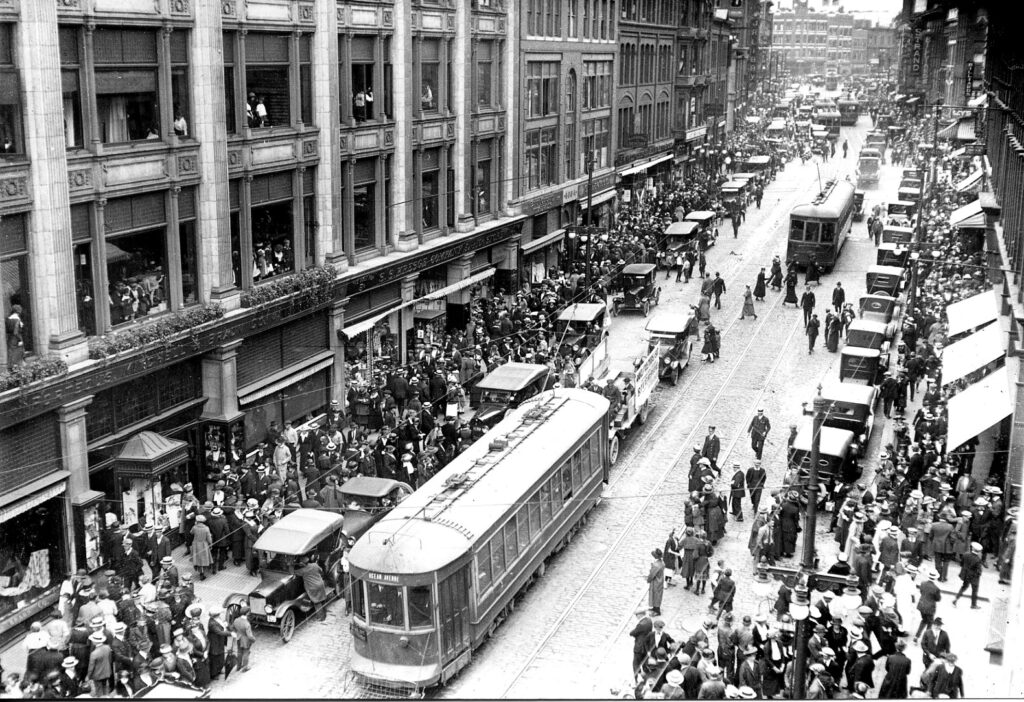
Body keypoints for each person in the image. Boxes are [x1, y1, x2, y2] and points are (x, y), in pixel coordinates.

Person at [296, 557, 330, 622]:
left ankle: (321, 618)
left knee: (317, 602)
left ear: (302, 564)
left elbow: (293, 572)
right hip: (320, 584)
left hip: (313, 587)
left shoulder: (303, 570)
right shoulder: (315, 565)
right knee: (322, 599)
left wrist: (290, 565)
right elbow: (321, 570)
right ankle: (325, 614)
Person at [952, 542, 983, 609]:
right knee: (974, 590)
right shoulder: (978, 559)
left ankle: (956, 599)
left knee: (964, 587)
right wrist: (978, 574)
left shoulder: (966, 554)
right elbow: (979, 571)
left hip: (966, 574)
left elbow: (961, 564)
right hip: (974, 577)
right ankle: (973, 604)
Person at [231, 604, 255, 672]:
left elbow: (232, 628)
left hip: (238, 638)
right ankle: (245, 667)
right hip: (245, 640)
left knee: (239, 652)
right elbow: (249, 636)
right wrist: (253, 640)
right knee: (246, 653)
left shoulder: (236, 620)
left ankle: (238, 666)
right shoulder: (247, 624)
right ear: (247, 613)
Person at [629, 609, 655, 674]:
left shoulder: (641, 624)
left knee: (636, 663)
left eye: (637, 615)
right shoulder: (649, 620)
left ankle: (637, 677)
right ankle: (646, 673)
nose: (636, 617)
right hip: (646, 645)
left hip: (639, 646)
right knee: (644, 661)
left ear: (640, 615)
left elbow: (633, 633)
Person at [190, 515, 213, 580]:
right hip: (204, 544)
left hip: (196, 544)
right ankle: (203, 572)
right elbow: (209, 538)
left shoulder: (194, 527)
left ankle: (200, 572)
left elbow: (191, 532)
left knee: (198, 558)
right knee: (204, 558)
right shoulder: (206, 528)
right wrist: (210, 544)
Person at [5, 304, 24, 369]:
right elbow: (16, 332)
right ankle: (17, 369)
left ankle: (11, 368)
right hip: (16, 339)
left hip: (10, 339)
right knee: (18, 354)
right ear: (18, 311)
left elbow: (7, 330)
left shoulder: (8, 319)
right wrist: (20, 340)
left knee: (11, 353)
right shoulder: (17, 320)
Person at [647, 549, 665, 616]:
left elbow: (652, 574)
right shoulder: (662, 562)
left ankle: (657, 611)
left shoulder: (656, 565)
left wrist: (648, 580)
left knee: (655, 595)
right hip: (660, 580)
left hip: (656, 582)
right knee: (658, 595)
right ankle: (655, 608)